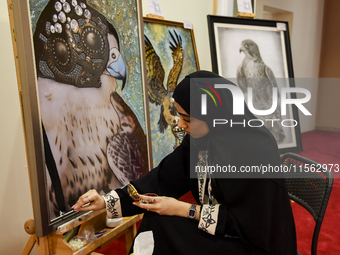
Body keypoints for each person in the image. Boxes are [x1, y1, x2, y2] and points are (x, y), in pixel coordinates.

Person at [73, 70, 297, 254]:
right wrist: (106, 202)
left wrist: (185, 209)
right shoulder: (203, 139)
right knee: (156, 218)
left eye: (186, 118)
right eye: (179, 115)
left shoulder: (254, 150)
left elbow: (248, 224)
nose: (179, 124)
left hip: (254, 245)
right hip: (220, 230)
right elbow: (161, 179)